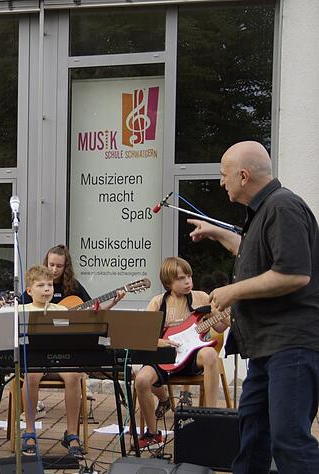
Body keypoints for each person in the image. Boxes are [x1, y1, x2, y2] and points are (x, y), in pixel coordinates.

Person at [187, 141, 319, 473]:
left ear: (244, 176)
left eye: (224, 174)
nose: (221, 182)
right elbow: (255, 252)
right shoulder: (266, 210)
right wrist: (218, 233)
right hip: (266, 348)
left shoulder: (283, 207)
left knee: (289, 441)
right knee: (253, 438)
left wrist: (232, 291)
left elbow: (293, 274)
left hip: (292, 346)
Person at [133, 256, 229, 449]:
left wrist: (227, 314)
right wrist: (161, 342)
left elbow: (218, 327)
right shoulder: (158, 302)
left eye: (189, 276)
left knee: (210, 355)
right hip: (165, 357)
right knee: (141, 380)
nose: (188, 282)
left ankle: (209, 418)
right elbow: (143, 336)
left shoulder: (201, 297)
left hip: (192, 356)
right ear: (168, 282)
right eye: (181, 278)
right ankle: (152, 433)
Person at [18, 265, 86, 458]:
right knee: (31, 375)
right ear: (29, 291)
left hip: (60, 359)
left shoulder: (62, 309)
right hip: (36, 360)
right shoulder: (22, 310)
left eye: (49, 284)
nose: (47, 288)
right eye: (41, 285)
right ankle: (29, 431)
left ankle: (72, 434)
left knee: (74, 375)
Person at [21, 245, 123, 309]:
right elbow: (21, 309)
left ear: (66, 267)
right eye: (51, 265)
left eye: (59, 266)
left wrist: (114, 302)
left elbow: (96, 310)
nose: (54, 270)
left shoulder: (74, 285)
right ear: (46, 263)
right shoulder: (36, 285)